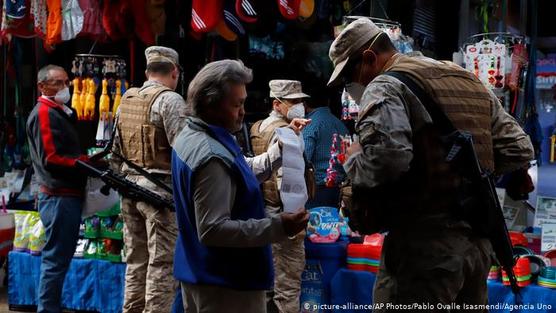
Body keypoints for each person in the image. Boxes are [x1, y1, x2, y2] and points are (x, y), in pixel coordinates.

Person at [327, 18, 534, 310]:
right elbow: (518, 147)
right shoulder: (464, 77)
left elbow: (388, 160)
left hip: (424, 253)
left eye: (351, 76)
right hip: (477, 249)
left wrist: (353, 159)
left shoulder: (385, 85)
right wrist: (467, 177)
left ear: (370, 58)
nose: (353, 86)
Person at [172, 60, 310, 313]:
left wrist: (281, 147)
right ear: (211, 104)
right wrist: (279, 226)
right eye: (237, 104)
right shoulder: (210, 155)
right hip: (225, 285)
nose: (243, 111)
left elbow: (239, 172)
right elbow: (213, 229)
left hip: (201, 274)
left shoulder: (194, 136)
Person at [111, 46, 187, 313]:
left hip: (129, 191)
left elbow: (115, 153)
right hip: (159, 197)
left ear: (147, 71)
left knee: (135, 262)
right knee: (162, 266)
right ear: (175, 71)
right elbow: (184, 154)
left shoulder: (127, 99)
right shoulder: (171, 101)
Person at [26, 65, 89, 313]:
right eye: (58, 83)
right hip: (58, 196)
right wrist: (84, 163)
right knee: (55, 260)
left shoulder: (60, 112)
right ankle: (48, 309)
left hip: (65, 195)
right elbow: (51, 158)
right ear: (43, 86)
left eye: (66, 82)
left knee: (59, 259)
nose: (65, 88)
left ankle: (51, 306)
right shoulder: (44, 113)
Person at [250, 79, 309, 313]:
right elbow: (289, 182)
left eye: (301, 102)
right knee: (288, 288)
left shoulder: (257, 128)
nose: (300, 107)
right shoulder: (284, 133)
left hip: (261, 214)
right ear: (277, 104)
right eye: (293, 102)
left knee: (266, 286)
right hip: (284, 217)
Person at [302, 91, 349, 209]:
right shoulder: (340, 124)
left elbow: (304, 158)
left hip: (318, 189)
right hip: (340, 187)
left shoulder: (309, 125)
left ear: (305, 105)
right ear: (327, 102)